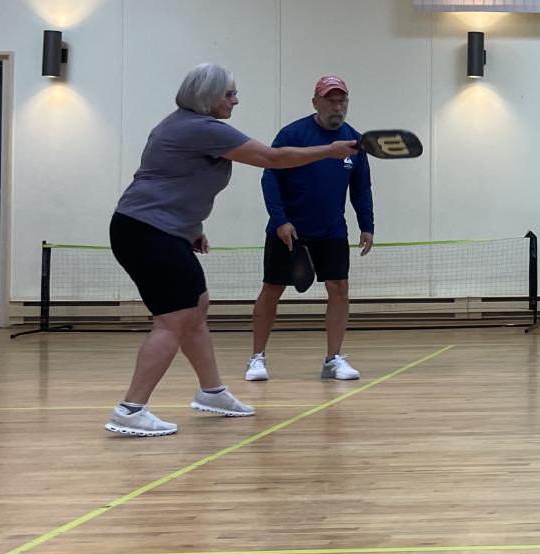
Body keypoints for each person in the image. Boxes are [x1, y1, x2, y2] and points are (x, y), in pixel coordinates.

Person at [105, 63, 357, 438]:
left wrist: (190, 229)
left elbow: (171, 180)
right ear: (207, 96)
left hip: (157, 230)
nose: (236, 100)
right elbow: (273, 159)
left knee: (197, 307)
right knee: (173, 319)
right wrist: (331, 151)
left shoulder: (180, 125)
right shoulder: (201, 128)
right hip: (147, 232)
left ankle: (213, 392)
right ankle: (130, 408)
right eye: (230, 94)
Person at [245, 75, 373, 383]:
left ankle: (333, 360)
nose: (337, 105)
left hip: (332, 231)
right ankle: (257, 359)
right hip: (289, 231)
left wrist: (366, 225)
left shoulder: (355, 141)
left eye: (342, 99)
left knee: (339, 289)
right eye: (330, 99)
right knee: (272, 291)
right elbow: (270, 177)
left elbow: (361, 187)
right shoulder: (293, 134)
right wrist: (280, 221)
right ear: (315, 102)